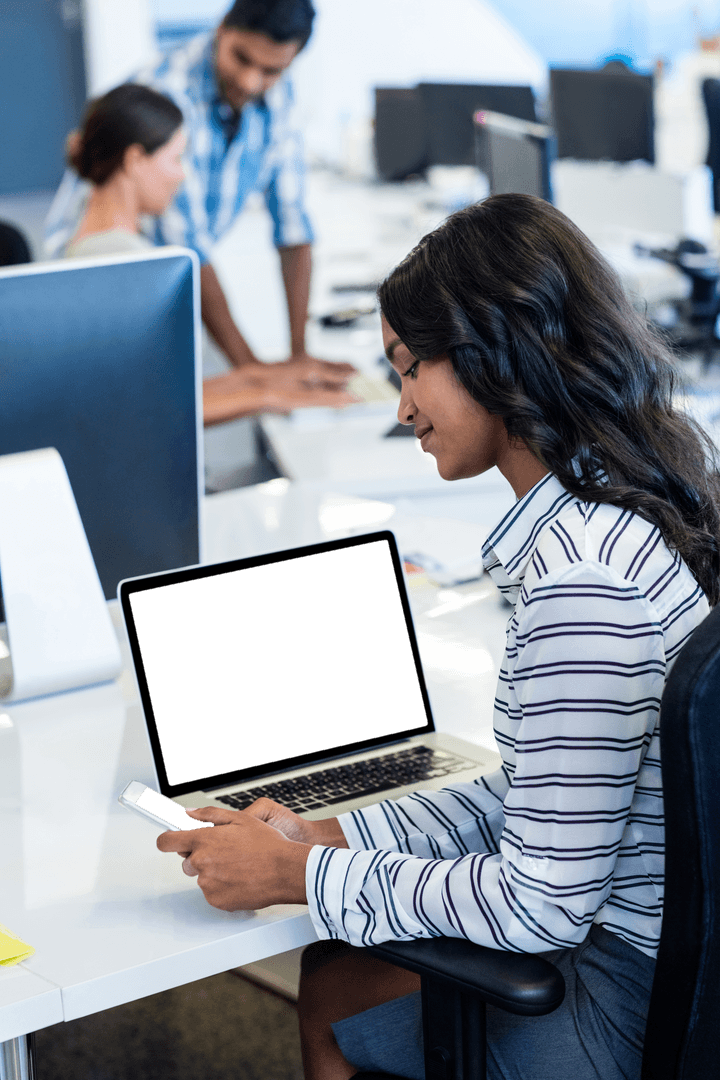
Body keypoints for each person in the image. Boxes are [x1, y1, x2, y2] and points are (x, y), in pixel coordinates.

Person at [155, 194, 720, 1080]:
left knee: (333, 995)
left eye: (410, 367)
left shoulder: (581, 586)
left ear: (493, 353)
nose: (403, 403)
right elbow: (543, 798)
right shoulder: (637, 499)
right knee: (341, 966)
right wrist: (334, 836)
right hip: (673, 966)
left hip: (624, 1004)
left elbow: (541, 905)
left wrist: (294, 879)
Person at [46, 0, 354, 391]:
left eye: (271, 70)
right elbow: (189, 247)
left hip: (144, 262)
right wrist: (257, 378)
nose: (250, 82)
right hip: (95, 276)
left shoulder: (280, 96)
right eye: (241, 58)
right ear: (222, 27)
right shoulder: (167, 90)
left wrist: (296, 357)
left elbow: (293, 226)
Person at [64, 82, 355, 425]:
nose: (182, 174)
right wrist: (267, 395)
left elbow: (158, 389)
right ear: (136, 160)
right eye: (175, 158)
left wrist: (261, 377)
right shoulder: (119, 260)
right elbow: (144, 410)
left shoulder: (105, 246)